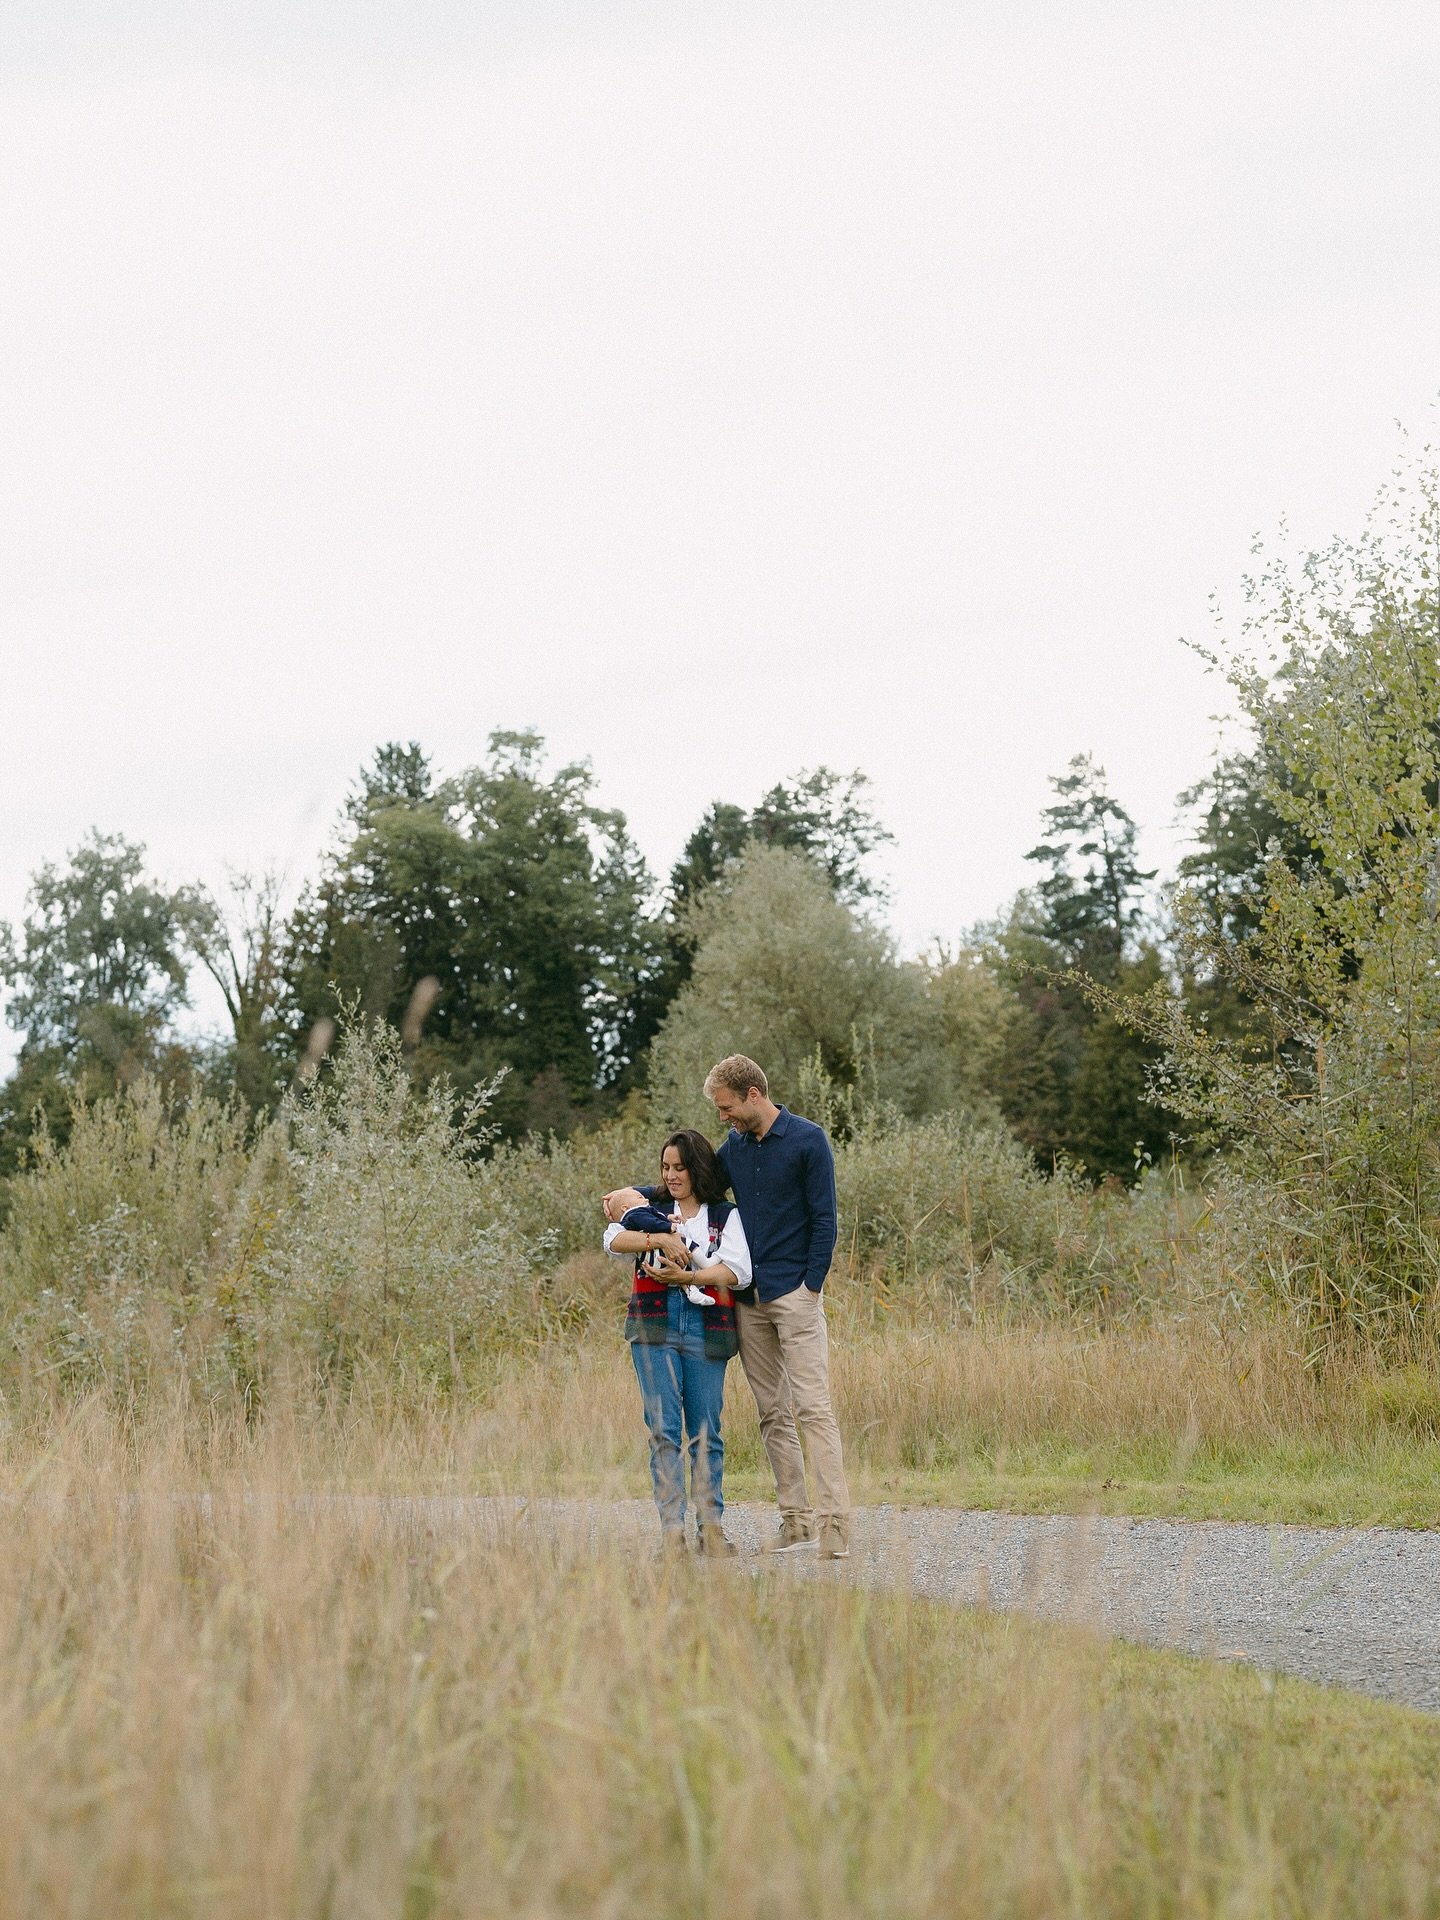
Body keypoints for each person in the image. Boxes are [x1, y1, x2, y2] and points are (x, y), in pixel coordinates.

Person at [606, 1054, 851, 1561]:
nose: (724, 1118)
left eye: (727, 1108)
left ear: (753, 1095)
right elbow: (693, 1179)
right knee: (772, 1413)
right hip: (747, 1301)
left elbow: (825, 1219)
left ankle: (835, 1527)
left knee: (813, 1408)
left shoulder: (809, 1141)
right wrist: (631, 1196)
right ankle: (796, 1521)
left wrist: (811, 1285)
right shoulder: (736, 1149)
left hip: (794, 1295)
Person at [603, 1128, 752, 1556]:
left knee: (707, 1432)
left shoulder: (725, 1215)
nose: (670, 1175)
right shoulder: (650, 1210)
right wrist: (661, 1238)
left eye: (679, 1167)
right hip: (654, 1329)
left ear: (697, 1168)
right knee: (664, 1431)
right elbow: (612, 1238)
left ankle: (712, 1527)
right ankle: (672, 1532)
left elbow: (737, 1273)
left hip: (708, 1328)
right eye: (665, 1167)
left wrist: (686, 1277)